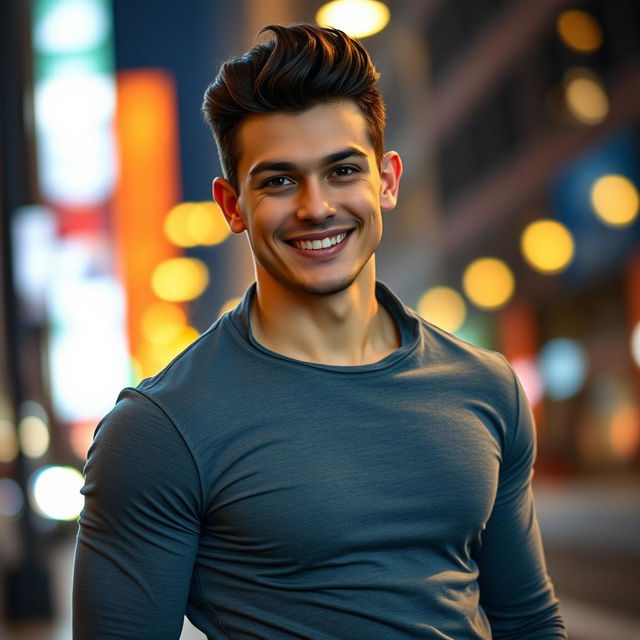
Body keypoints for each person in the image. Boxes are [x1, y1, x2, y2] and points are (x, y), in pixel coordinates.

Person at [73, 23, 567, 640]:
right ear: (231, 206)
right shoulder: (159, 430)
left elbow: (528, 621)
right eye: (279, 180)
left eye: (341, 171)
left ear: (385, 180)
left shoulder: (487, 387)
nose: (315, 207)